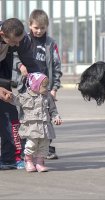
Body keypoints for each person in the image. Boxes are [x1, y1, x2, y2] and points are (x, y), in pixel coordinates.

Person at [14, 9, 62, 160]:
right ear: (30, 25)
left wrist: (54, 88)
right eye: (36, 27)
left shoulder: (50, 44)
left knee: (45, 118)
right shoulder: (23, 40)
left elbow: (56, 66)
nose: (39, 31)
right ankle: (24, 148)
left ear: (47, 26)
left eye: (42, 28)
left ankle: (45, 147)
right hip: (26, 88)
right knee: (25, 117)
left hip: (43, 88)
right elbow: (14, 56)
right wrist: (20, 66)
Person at [0, 18, 41, 170]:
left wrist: (42, 86)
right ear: (2, 34)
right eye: (13, 42)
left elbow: (31, 65)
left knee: (9, 111)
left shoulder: (21, 40)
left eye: (19, 40)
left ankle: (8, 158)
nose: (17, 45)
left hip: (3, 69)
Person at [8, 72, 62, 172]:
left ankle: (40, 163)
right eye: (44, 85)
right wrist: (10, 97)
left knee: (44, 146)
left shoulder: (48, 96)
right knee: (31, 145)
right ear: (35, 85)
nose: (46, 88)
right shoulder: (25, 96)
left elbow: (53, 110)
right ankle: (28, 161)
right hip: (31, 127)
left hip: (45, 127)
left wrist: (56, 117)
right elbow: (16, 100)